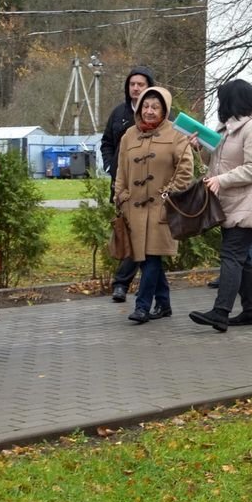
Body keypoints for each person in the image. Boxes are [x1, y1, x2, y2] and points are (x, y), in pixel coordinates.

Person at [189, 79, 252, 332]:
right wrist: (199, 147)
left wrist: (221, 180)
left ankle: (220, 312)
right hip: (230, 202)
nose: (219, 106)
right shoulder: (228, 128)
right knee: (241, 259)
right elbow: (216, 161)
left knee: (231, 256)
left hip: (248, 203)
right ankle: (251, 311)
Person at [112, 85, 195, 323]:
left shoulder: (176, 134)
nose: (149, 111)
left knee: (150, 257)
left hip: (160, 208)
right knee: (147, 257)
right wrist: (121, 195)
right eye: (145, 106)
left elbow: (185, 169)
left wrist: (168, 193)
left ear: (165, 110)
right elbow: (121, 170)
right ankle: (165, 304)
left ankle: (142, 306)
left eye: (155, 107)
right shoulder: (129, 135)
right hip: (133, 208)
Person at [101, 65, 155, 303]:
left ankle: (123, 283)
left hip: (149, 186)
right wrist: (110, 166)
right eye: (132, 84)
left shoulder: (159, 114)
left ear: (149, 87)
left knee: (143, 236)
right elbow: (106, 143)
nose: (135, 88)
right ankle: (137, 282)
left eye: (140, 84)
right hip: (122, 184)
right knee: (127, 232)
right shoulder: (118, 113)